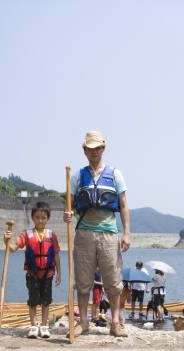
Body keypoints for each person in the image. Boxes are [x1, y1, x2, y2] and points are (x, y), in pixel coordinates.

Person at [63, 130, 131, 338]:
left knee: (112, 279)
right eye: (90, 148)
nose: (94, 151)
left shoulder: (115, 174)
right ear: (84, 150)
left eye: (98, 148)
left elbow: (123, 205)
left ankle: (115, 323)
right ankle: (82, 323)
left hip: (109, 233)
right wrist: (67, 214)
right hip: (84, 233)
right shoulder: (76, 176)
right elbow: (70, 206)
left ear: (103, 149)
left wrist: (126, 232)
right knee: (83, 281)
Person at [4, 202, 61, 339]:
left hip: (48, 273)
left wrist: (59, 272)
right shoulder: (26, 234)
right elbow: (12, 249)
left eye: (43, 217)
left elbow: (56, 255)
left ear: (48, 218)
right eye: (37, 217)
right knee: (33, 299)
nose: (40, 220)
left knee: (46, 300)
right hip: (32, 273)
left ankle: (44, 326)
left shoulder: (51, 235)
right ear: (32, 218)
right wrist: (6, 240)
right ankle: (34, 327)